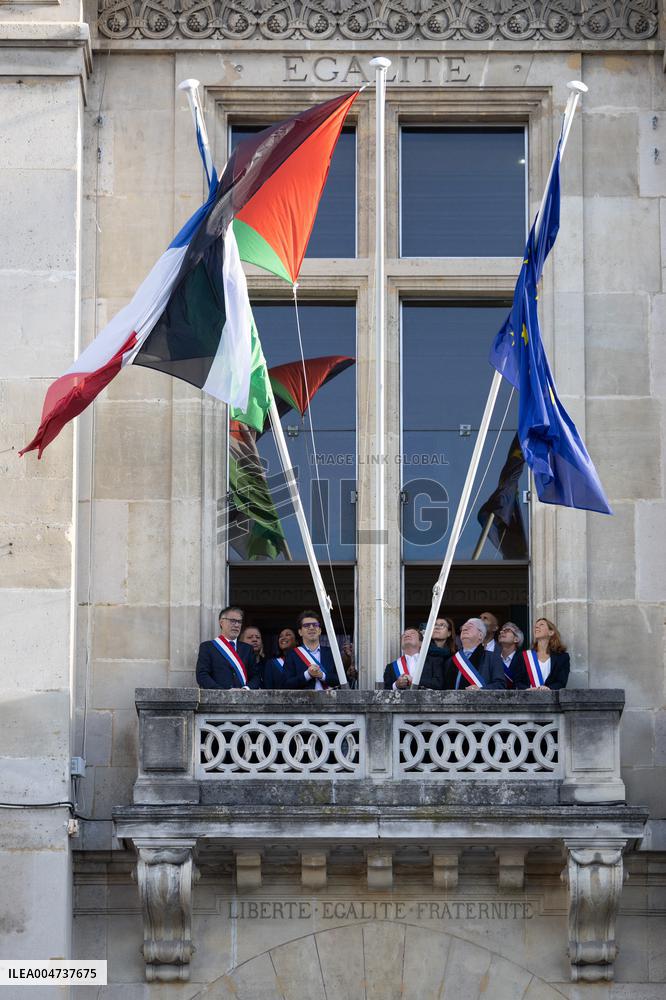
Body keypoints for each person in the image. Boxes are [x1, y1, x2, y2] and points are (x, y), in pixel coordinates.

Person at [196, 606, 260, 689]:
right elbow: (202, 675)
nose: (237, 625)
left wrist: (246, 689)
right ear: (221, 622)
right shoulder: (208, 647)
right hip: (218, 699)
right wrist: (222, 692)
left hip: (243, 698)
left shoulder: (247, 649)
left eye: (239, 622)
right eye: (233, 621)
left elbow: (256, 676)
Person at [442, 617, 506, 690]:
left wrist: (481, 690)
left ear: (480, 635)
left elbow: (500, 685)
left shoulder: (492, 658)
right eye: (463, 628)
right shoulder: (451, 660)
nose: (464, 629)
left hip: (480, 700)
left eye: (470, 626)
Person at [284, 611, 338, 689]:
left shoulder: (331, 653)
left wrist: (322, 675)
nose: (311, 627)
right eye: (306, 625)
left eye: (315, 625)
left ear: (319, 630)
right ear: (300, 632)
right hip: (303, 700)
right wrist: (307, 675)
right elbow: (287, 684)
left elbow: (341, 680)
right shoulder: (292, 654)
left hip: (329, 700)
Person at [513, 617, 570, 690]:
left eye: (541, 625)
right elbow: (518, 681)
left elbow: (561, 682)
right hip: (527, 698)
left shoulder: (562, 657)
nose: (537, 627)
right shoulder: (524, 656)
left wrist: (548, 688)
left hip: (551, 699)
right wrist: (527, 689)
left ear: (551, 632)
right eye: (536, 626)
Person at [497, 622, 524, 687]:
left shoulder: (524, 659)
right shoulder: (493, 659)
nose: (501, 632)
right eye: (502, 631)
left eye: (507, 630)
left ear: (516, 639)